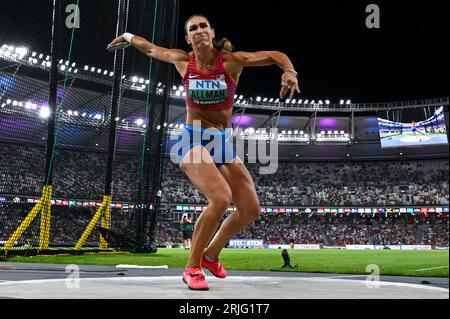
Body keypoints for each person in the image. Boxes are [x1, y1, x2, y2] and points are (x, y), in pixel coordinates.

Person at [108, 14, 300, 291]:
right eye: (193, 28)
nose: (199, 31)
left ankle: (210, 255)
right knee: (221, 199)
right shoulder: (183, 61)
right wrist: (126, 37)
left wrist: (289, 71)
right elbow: (149, 48)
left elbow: (274, 55)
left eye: (203, 26)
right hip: (192, 137)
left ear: (211, 32)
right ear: (188, 38)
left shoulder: (231, 62)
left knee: (249, 208)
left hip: (221, 140)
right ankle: (192, 267)